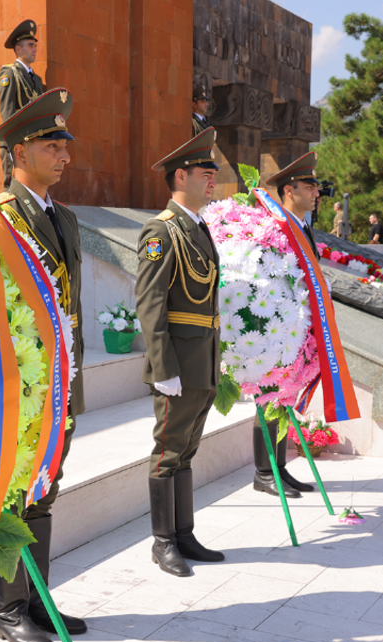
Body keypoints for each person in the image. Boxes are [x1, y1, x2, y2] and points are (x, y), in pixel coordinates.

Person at [0, 88, 86, 642]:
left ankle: (38, 601)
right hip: (23, 382)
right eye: (52, 144)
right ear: (20, 151)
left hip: (62, 379)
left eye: (65, 144)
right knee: (12, 495)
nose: (64, 155)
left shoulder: (65, 219)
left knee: (44, 490)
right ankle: (8, 609)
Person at [135, 128, 224, 578]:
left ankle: (184, 533)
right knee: (168, 451)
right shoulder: (161, 230)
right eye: (206, 172)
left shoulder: (198, 228)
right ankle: (163, 542)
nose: (214, 179)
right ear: (181, 175)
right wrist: (163, 367)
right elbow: (150, 303)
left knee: (187, 450)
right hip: (177, 365)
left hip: (202, 359)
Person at [251, 152, 340, 500]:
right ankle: (263, 472)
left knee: (282, 401)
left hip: (294, 328)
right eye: (310, 186)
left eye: (317, 186)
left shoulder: (301, 225)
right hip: (273, 328)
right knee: (267, 399)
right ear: (289, 190)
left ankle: (279, 468)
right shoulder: (276, 226)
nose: (317, 192)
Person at [0, 20, 45, 189]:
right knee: (13, 188)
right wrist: (14, 141)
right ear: (18, 49)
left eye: (35, 46)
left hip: (33, 142)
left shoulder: (37, 80)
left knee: (32, 187)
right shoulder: (9, 73)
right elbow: (7, 111)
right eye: (30, 45)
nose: (35, 49)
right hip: (16, 141)